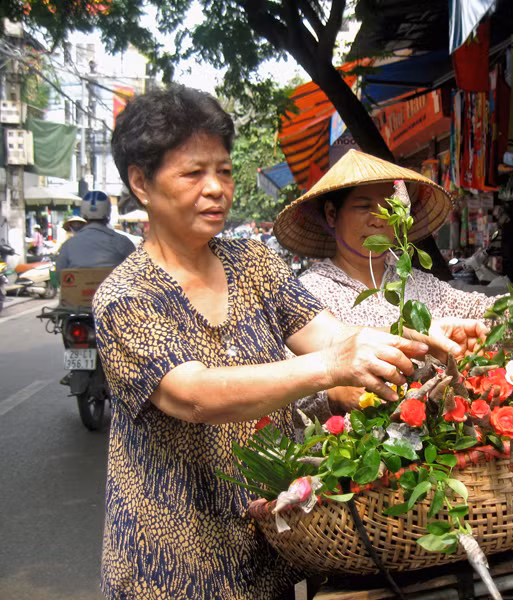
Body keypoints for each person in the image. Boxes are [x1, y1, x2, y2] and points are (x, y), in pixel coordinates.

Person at [95, 85, 486, 599]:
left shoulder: (253, 264)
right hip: (171, 565)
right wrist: (330, 367)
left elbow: (331, 334)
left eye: (224, 171)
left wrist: (416, 338)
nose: (216, 188)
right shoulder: (124, 297)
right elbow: (193, 394)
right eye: (194, 173)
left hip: (268, 546)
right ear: (141, 183)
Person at [272, 149, 513, 422]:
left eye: (389, 207)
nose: (379, 218)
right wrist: (332, 395)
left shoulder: (415, 283)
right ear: (332, 214)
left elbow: (489, 317)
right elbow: (280, 386)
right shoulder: (307, 294)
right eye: (363, 206)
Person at [55, 191, 136, 272]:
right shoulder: (123, 242)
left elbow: (59, 274)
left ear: (83, 213)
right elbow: (136, 270)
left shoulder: (68, 245)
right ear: (108, 211)